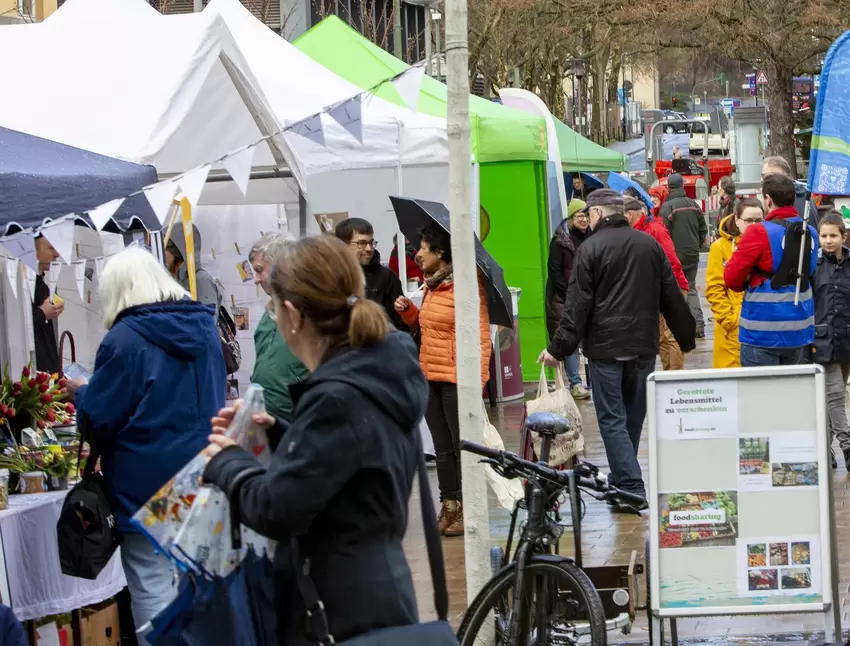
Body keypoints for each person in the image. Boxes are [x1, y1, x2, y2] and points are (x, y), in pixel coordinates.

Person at [202, 235, 425, 646]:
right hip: (376, 590)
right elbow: (353, 460)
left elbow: (276, 508)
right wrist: (275, 432)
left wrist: (228, 463)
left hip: (339, 608)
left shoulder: (336, 394)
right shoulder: (376, 369)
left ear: (292, 314)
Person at [75, 247, 225, 644]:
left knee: (152, 584)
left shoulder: (123, 339)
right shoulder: (205, 327)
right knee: (197, 581)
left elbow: (101, 415)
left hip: (145, 483)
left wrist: (81, 394)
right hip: (202, 473)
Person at [539, 189, 695, 511]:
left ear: (597, 214)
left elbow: (576, 306)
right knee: (632, 416)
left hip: (605, 349)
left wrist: (558, 347)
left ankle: (631, 486)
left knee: (612, 418)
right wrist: (686, 336)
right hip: (641, 346)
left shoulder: (590, 248)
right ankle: (624, 479)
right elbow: (671, 294)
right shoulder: (648, 244)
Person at [393, 223, 491, 536]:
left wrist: (478, 379)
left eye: (423, 248)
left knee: (462, 444)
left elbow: (480, 335)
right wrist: (409, 312)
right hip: (430, 374)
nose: (417, 254)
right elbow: (427, 327)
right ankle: (449, 507)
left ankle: (469, 508)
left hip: (455, 377)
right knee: (441, 447)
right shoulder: (432, 286)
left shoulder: (466, 284)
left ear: (441, 252)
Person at [724, 173, 818, 367]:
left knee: (761, 395)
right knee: (792, 394)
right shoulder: (811, 232)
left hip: (762, 331)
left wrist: (751, 276)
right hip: (800, 328)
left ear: (768, 199)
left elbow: (732, 279)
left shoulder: (758, 232)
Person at [248, 234, 308, 446]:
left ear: (281, 266)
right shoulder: (268, 315)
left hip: (300, 426)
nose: (256, 279)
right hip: (268, 422)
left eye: (259, 270)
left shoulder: (309, 312)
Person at [624, 197, 689, 370]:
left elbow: (672, 261)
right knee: (661, 337)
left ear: (629, 214)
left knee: (671, 335)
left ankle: (675, 378)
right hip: (657, 291)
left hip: (670, 289)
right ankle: (668, 375)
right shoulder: (642, 230)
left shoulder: (654, 230)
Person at [705, 198, 764, 369]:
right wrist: (729, 320)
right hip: (732, 329)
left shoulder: (767, 244)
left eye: (758, 220)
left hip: (761, 325)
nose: (753, 225)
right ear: (737, 220)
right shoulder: (720, 247)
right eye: (748, 220)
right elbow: (715, 288)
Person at [812, 212, 850, 470]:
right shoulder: (813, 267)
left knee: (831, 397)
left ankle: (825, 451)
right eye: (823, 236)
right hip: (823, 341)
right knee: (836, 395)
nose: (828, 241)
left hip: (846, 339)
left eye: (832, 236)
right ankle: (847, 446)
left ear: (843, 237)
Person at [545, 198, 590, 399]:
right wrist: (570, 294)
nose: (584, 220)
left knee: (589, 338)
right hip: (563, 298)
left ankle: (591, 380)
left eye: (587, 216)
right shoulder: (559, 242)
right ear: (571, 218)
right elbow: (554, 273)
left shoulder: (592, 237)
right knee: (570, 338)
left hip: (588, 295)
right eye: (580, 215)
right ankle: (575, 383)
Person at [334, 218, 407, 331]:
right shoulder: (331, 277)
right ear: (343, 245)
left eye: (371, 243)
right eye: (362, 243)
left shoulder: (386, 277)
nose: (369, 249)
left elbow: (401, 322)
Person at [659, 173, 708, 338]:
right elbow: (703, 229)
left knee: (676, 291)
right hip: (692, 255)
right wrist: (697, 245)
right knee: (691, 289)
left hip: (674, 257)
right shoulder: (694, 205)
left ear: (668, 187)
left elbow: (662, 233)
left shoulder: (667, 208)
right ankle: (698, 326)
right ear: (683, 186)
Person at [164, 223, 221, 311]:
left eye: (166, 249)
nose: (163, 253)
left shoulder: (202, 280)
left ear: (177, 251)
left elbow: (206, 321)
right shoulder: (171, 280)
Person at [32, 236, 62, 375]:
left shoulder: (40, 284)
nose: (56, 254)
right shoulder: (19, 286)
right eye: (51, 248)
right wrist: (42, 313)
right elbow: (15, 327)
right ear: (34, 251)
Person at [761, 155, 819, 223]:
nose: (762, 180)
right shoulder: (803, 195)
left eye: (766, 176)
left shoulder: (792, 200)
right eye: (762, 176)